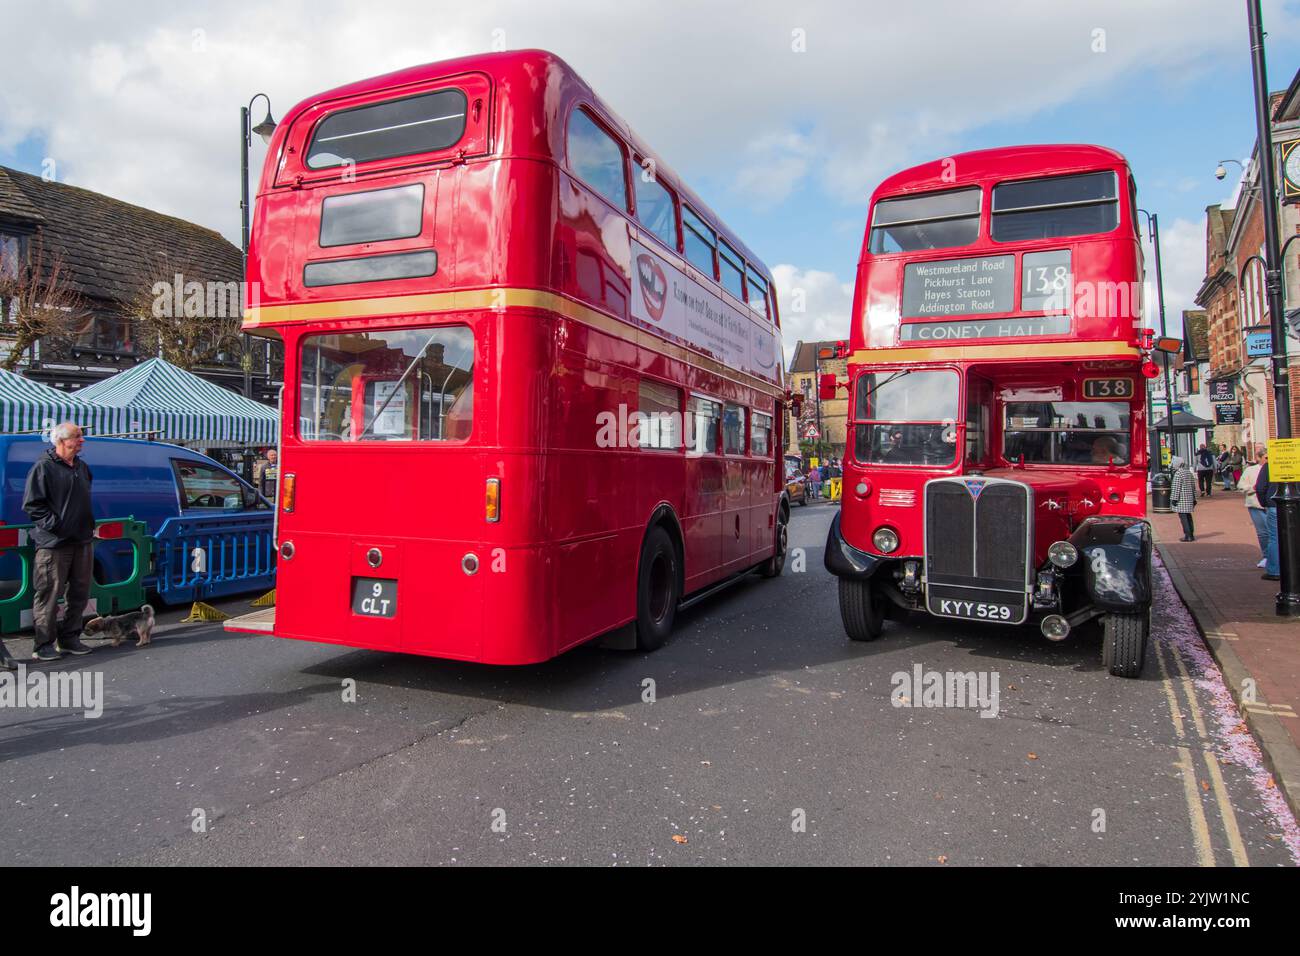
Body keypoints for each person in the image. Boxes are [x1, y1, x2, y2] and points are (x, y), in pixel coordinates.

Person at [22, 422, 96, 661]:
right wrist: (57, 525)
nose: (82, 441)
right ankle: (43, 643)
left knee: (80, 592)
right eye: (78, 436)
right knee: (49, 593)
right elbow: (33, 505)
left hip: (81, 540)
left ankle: (70, 637)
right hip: (54, 543)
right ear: (62, 441)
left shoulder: (81, 467)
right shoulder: (43, 468)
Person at [1240, 446, 1269, 569]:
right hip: (1255, 505)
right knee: (1262, 533)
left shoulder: (1275, 469)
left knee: (1274, 533)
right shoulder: (1250, 470)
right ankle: (1266, 556)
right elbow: (1241, 486)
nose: (1268, 460)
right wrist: (1253, 488)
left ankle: (1275, 557)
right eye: (1266, 458)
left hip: (1270, 505)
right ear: (1259, 458)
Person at [1255, 456, 1281, 581]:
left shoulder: (1270, 466)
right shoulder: (1295, 464)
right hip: (1294, 505)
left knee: (1274, 538)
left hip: (1273, 505)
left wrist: (1264, 502)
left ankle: (1275, 570)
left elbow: (1260, 487)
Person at [1169, 455, 1197, 542]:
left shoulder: (1178, 474)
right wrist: (1194, 498)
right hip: (1188, 499)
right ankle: (1191, 534)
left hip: (1181, 500)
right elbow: (1193, 486)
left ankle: (1187, 535)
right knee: (1188, 517)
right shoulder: (1188, 472)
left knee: (1183, 518)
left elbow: (1176, 488)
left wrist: (1173, 499)